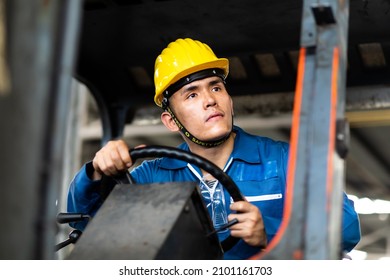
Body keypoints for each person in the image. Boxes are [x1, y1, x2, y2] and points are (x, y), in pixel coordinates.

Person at [67, 38, 361, 260]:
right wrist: (96, 171)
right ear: (171, 121)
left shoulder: (284, 160)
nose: (210, 100)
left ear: (230, 101)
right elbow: (88, 228)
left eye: (216, 87)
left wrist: (270, 233)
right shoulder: (150, 177)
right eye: (192, 94)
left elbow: (346, 228)